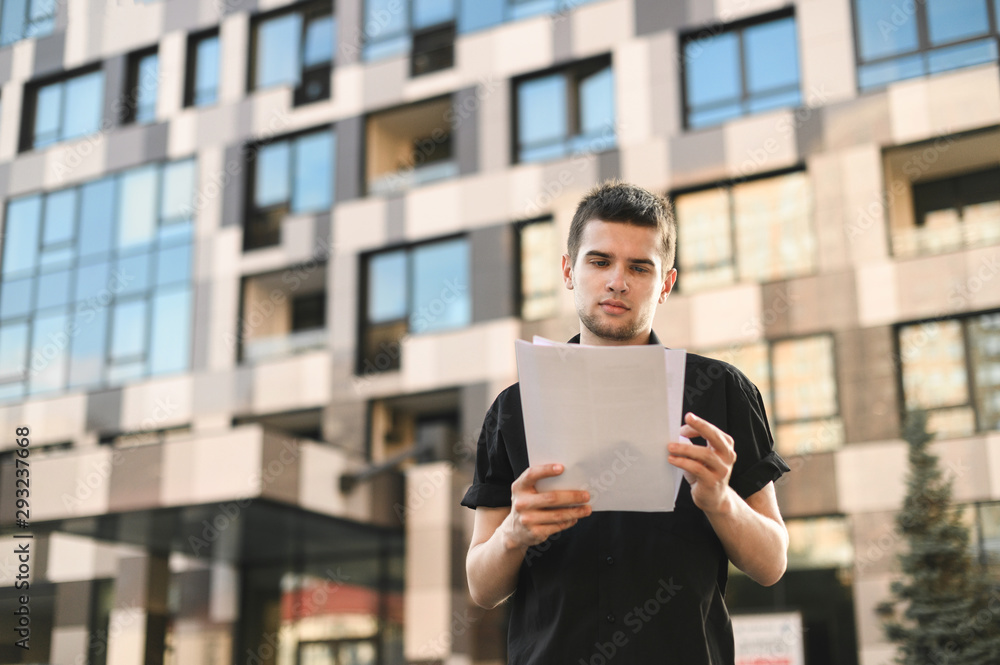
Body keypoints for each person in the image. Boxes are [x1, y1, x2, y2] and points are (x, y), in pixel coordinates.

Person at [461, 180, 791, 664]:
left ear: (666, 283)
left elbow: (772, 564)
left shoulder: (721, 392)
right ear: (569, 270)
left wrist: (720, 501)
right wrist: (514, 532)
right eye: (600, 261)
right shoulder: (513, 409)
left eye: (640, 267)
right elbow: (480, 587)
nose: (618, 281)